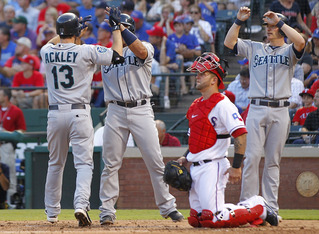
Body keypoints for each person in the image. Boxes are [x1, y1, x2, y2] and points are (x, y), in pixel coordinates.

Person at [41, 11, 125, 226]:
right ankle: (80, 205)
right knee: (84, 164)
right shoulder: (86, 50)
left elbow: (56, 40)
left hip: (54, 113)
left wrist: (71, 28)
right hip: (79, 112)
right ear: (77, 32)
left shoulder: (46, 50)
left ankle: (51, 213)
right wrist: (116, 29)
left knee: (55, 164)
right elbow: (117, 55)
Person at [176, 52, 279, 228]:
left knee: (214, 218)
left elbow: (240, 133)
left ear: (214, 79)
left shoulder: (223, 104)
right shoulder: (195, 104)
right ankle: (252, 210)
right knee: (197, 219)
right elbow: (195, 138)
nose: (197, 76)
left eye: (203, 73)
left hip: (213, 165)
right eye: (197, 73)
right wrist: (185, 157)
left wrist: (236, 167)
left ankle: (259, 206)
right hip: (196, 166)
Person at [99, 13, 183, 225]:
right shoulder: (106, 53)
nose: (116, 30)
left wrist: (121, 28)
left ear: (129, 28)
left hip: (141, 109)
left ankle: (168, 207)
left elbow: (141, 51)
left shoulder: (145, 45)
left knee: (155, 161)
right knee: (110, 164)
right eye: (115, 28)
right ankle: (107, 211)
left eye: (121, 27)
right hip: (115, 111)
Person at [224, 7, 305, 216]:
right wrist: (238, 21)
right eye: (267, 26)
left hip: (280, 109)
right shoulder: (255, 47)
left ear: (281, 28)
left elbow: (301, 42)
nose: (269, 29)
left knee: (272, 161)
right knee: (251, 158)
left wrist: (279, 21)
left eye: (272, 27)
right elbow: (229, 43)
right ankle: (248, 205)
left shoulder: (289, 50)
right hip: (257, 108)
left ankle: (270, 208)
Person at [0, 88, 26, 204]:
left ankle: (10, 201)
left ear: (6, 97)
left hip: (6, 145)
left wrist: (7, 133)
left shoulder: (16, 110)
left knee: (9, 172)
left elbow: (21, 130)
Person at [146, 25, 177, 109]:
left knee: (163, 69)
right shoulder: (151, 46)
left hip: (170, 72)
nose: (149, 37)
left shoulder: (169, 44)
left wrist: (163, 45)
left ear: (159, 38)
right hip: (157, 69)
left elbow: (163, 62)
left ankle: (165, 97)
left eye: (152, 36)